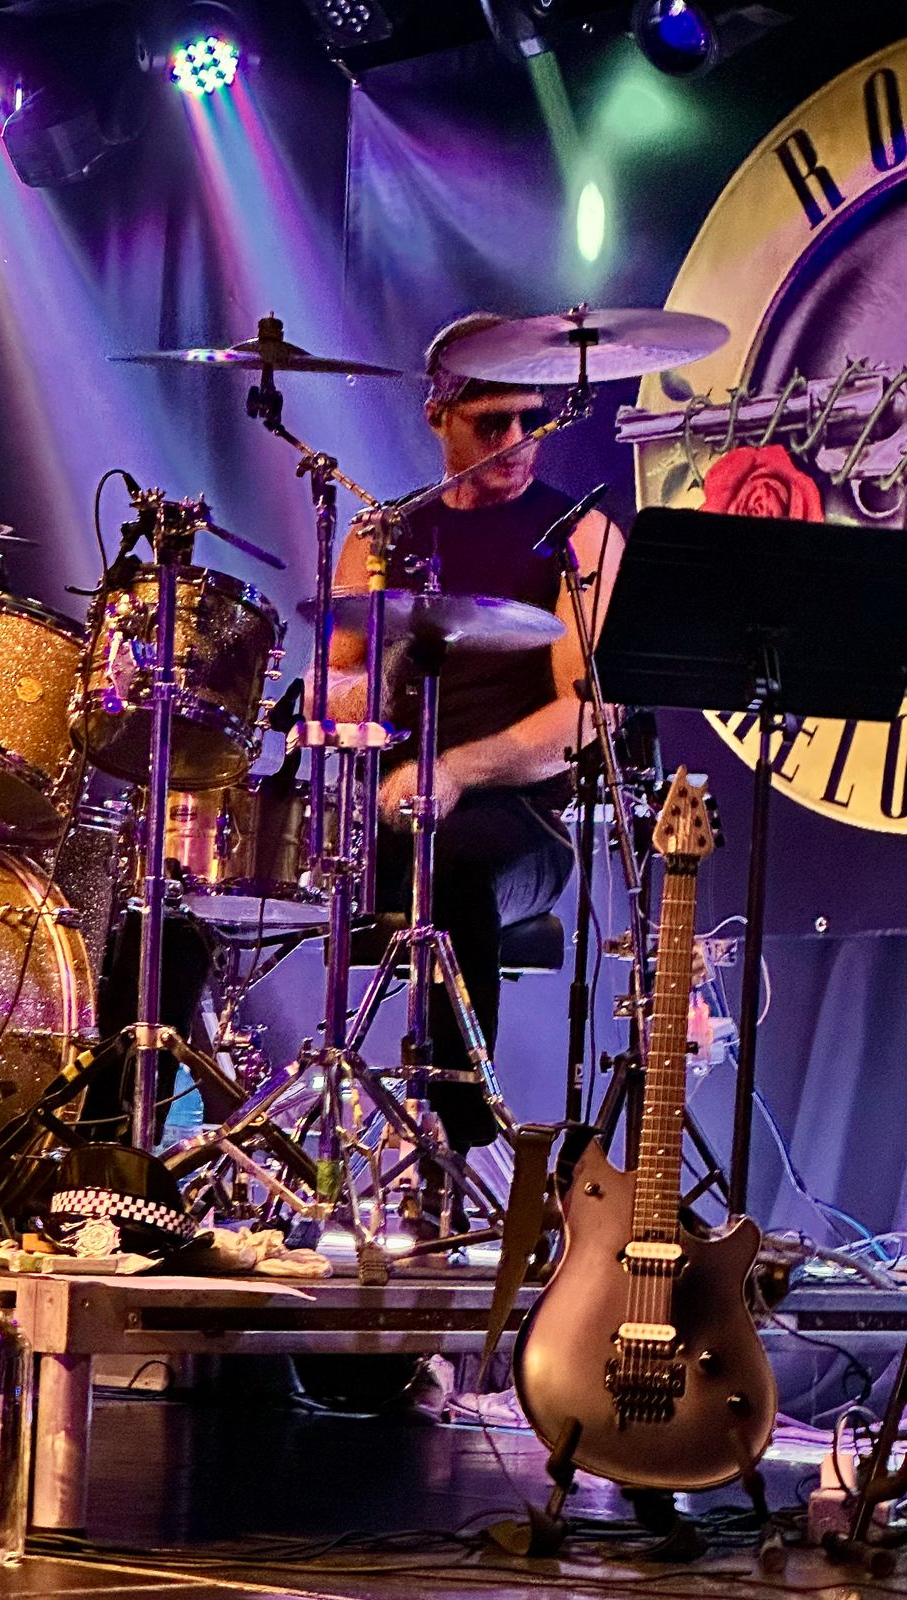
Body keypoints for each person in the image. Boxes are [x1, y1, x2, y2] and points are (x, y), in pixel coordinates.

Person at [326, 312, 625, 1169]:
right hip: (384, 813)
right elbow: (338, 679)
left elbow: (584, 716)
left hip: (518, 823)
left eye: (532, 419)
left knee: (452, 859)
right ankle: (126, 1140)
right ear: (439, 415)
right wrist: (351, 688)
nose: (518, 442)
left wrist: (456, 769)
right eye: (493, 424)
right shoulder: (382, 535)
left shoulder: (578, 535)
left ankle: (453, 1138)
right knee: (199, 867)